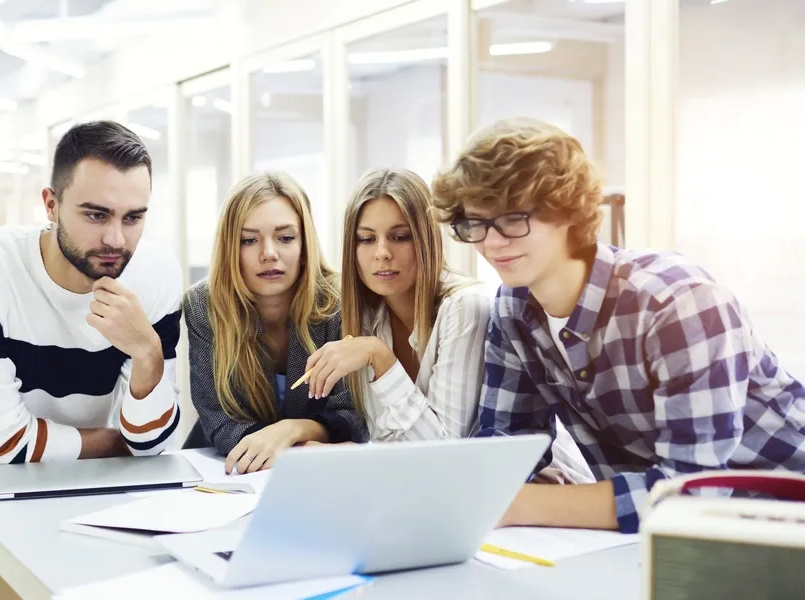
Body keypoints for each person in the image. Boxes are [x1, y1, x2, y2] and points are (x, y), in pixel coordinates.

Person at [431, 117, 805, 534]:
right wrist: (499, 486)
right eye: (476, 223)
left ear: (567, 210)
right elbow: (506, 448)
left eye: (513, 219)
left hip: (780, 527)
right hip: (653, 543)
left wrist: (526, 502)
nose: (492, 242)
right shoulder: (513, 309)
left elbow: (693, 494)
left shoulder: (679, 304)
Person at [0, 120, 183, 471]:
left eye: (133, 218)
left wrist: (148, 353)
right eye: (96, 215)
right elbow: (1, 447)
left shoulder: (156, 274)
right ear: (51, 205)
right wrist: (119, 443)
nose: (116, 239)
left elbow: (152, 442)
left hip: (98, 485)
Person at [184, 172, 368, 475]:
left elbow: (353, 416)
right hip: (227, 470)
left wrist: (290, 430)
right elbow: (219, 420)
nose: (269, 254)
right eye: (249, 240)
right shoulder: (203, 305)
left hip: (321, 476)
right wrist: (301, 449)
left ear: (304, 244)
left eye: (285, 238)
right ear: (231, 247)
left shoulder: (341, 301)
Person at [301, 168, 490, 441]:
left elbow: (444, 452)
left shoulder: (465, 308)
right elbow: (387, 442)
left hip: (540, 479)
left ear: (426, 240)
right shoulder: (364, 316)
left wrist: (381, 357)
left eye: (400, 236)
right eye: (366, 239)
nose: (382, 253)